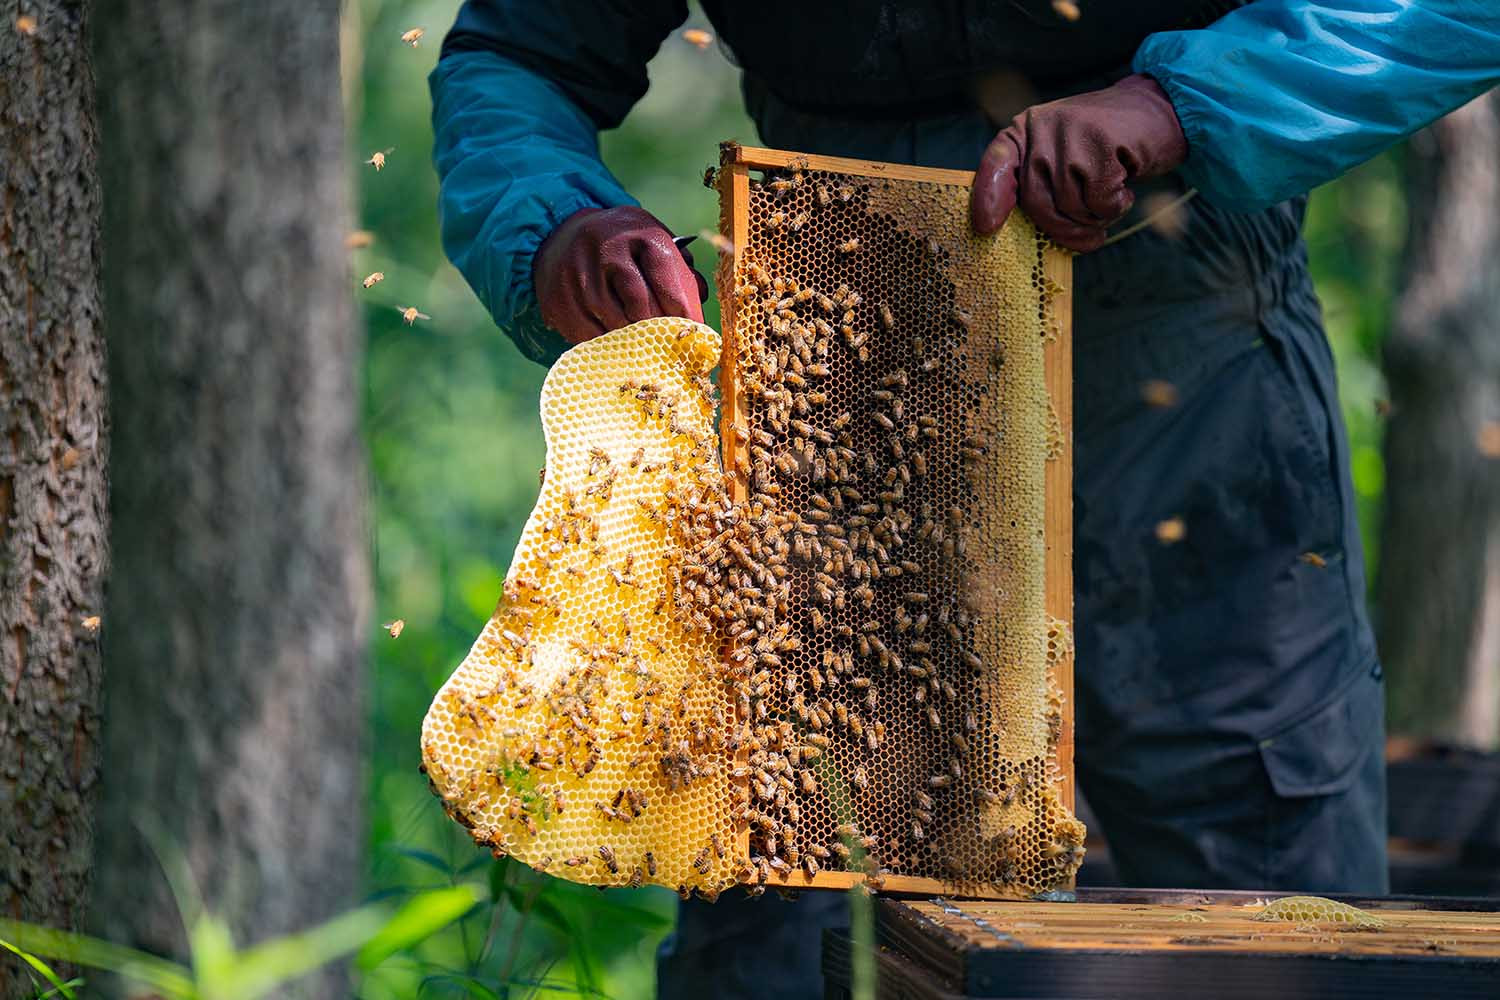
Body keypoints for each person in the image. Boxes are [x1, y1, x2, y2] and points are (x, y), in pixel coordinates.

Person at [429, 2, 1500, 996]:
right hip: (833, 363)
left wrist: (1177, 106)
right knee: (791, 927)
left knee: (1263, 908)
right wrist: (559, 223)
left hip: (1183, 358)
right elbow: (519, 53)